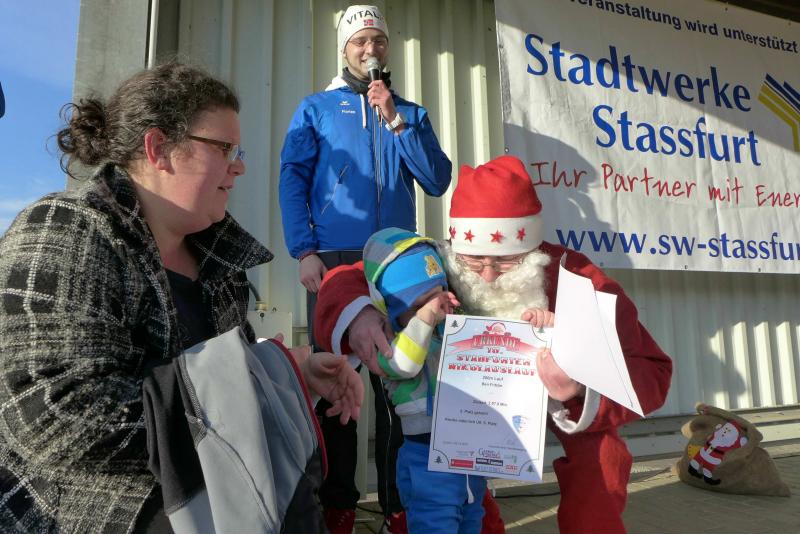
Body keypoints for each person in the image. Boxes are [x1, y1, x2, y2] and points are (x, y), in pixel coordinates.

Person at [0, 62, 362, 533]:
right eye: (224, 148)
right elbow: (55, 417)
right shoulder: (65, 230)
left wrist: (295, 378)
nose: (240, 165)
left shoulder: (221, 265)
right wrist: (264, 385)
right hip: (89, 512)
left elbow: (227, 380)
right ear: (159, 149)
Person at [314, 155, 674, 534]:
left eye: (505, 262)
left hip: (552, 400)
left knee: (600, 454)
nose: (487, 275)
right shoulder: (438, 263)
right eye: (473, 260)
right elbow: (347, 277)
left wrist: (579, 388)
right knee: (447, 455)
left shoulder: (575, 277)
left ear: (533, 248)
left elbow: (652, 371)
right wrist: (359, 314)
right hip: (464, 409)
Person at [278, 5, 452, 532]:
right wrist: (304, 250)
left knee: (402, 388)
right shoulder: (315, 108)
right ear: (345, 48)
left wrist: (395, 119)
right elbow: (292, 179)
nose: (370, 48)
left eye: (378, 40)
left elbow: (437, 179)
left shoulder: (408, 112)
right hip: (334, 259)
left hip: (395, 263)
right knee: (337, 387)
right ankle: (338, 507)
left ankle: (400, 505)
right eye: (360, 41)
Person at [362, 226, 508, 533]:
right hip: (425, 455)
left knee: (472, 518)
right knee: (434, 523)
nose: (433, 310)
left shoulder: (450, 331)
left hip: (467, 452)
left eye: (437, 297)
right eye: (417, 306)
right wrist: (425, 318)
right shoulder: (390, 345)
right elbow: (405, 365)